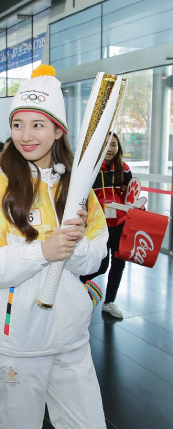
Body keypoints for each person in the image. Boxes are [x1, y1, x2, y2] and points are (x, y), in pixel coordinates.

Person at [0, 65, 110, 429]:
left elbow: (95, 257)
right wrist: (40, 251)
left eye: (37, 123)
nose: (26, 134)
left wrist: (68, 252)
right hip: (18, 342)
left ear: (58, 129)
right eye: (17, 123)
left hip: (70, 338)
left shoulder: (80, 187)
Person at [80, 133, 132, 319]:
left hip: (120, 223)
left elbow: (130, 196)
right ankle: (77, 288)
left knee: (119, 263)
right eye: (106, 145)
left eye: (114, 145)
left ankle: (109, 302)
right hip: (97, 226)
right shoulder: (90, 169)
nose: (110, 149)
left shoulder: (124, 169)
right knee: (100, 266)